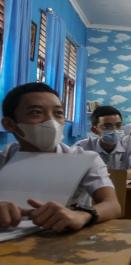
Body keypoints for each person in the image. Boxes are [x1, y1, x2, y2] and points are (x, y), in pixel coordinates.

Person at [0, 82, 121, 231]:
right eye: (36, 112)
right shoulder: (3, 159)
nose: (52, 122)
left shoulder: (84, 159)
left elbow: (112, 205)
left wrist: (81, 215)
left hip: (63, 239)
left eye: (58, 113)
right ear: (9, 124)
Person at [75, 106, 131, 180]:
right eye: (107, 126)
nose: (114, 130)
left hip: (123, 188)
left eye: (118, 125)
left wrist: (106, 177)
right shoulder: (82, 147)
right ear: (95, 130)